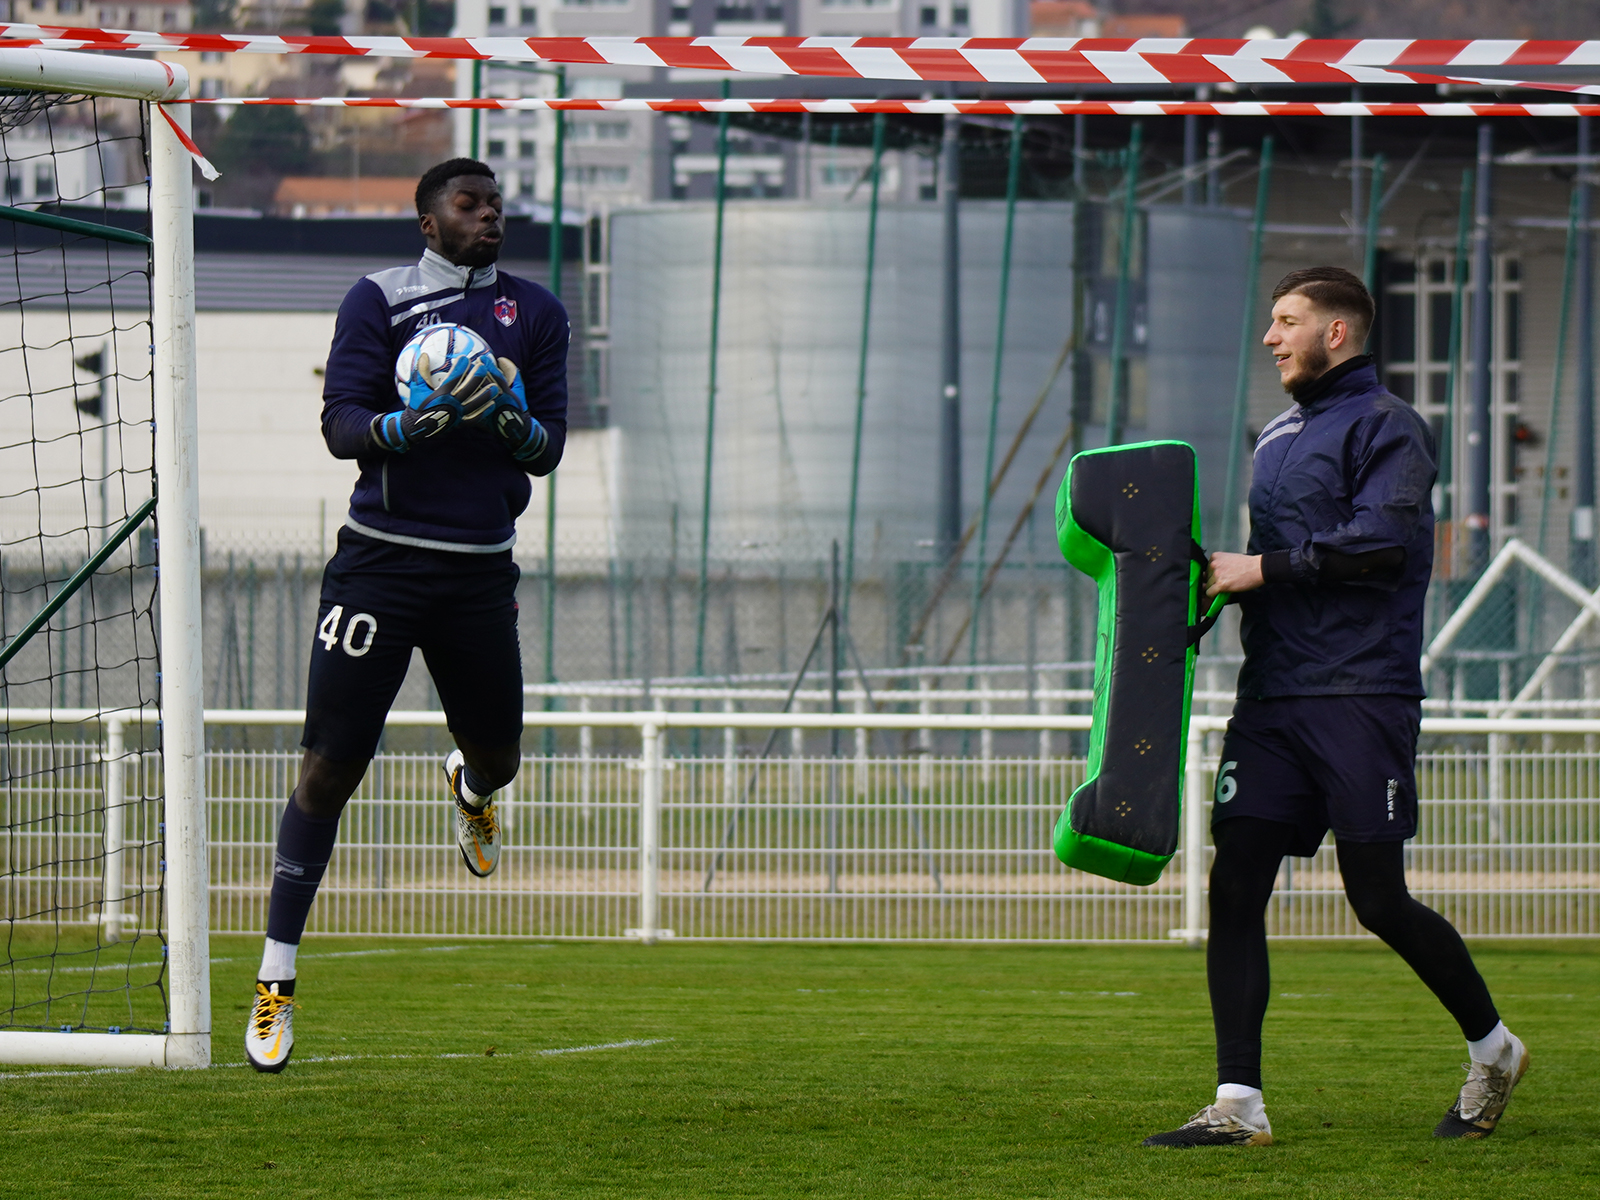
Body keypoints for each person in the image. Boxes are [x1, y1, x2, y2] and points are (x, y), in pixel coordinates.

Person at [1142, 266, 1527, 1147]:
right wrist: (1217, 582)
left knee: (1378, 900)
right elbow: (1285, 562)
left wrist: (1263, 569)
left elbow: (1383, 544)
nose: (1272, 338)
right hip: (1273, 695)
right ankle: (1238, 1106)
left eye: (1287, 322)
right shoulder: (1275, 435)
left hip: (1361, 693)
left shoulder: (1390, 425)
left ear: (1338, 332)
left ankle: (1495, 1049)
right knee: (1234, 885)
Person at [244, 159, 568, 1073]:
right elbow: (342, 424)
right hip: (378, 568)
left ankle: (469, 787)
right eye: (469, 206)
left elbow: (547, 450)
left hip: (476, 575)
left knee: (502, 759)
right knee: (327, 771)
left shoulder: (537, 313)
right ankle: (276, 980)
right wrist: (409, 427)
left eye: (496, 204)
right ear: (429, 224)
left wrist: (501, 417)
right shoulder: (377, 300)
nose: (489, 216)